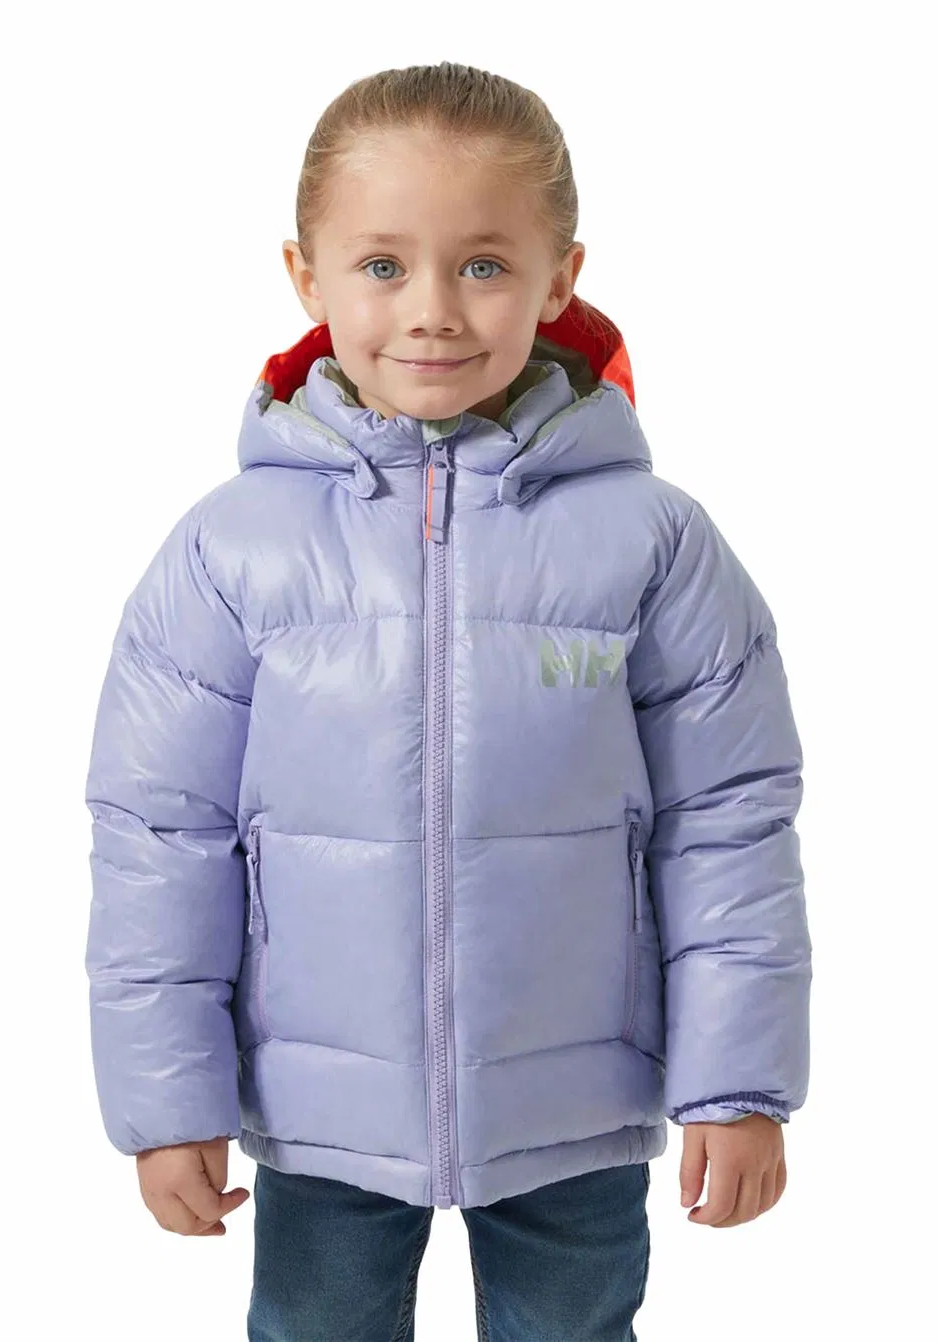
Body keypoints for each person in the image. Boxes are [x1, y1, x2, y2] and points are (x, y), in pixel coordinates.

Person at [83, 60, 812, 1342]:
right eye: (381, 265)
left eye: (482, 264)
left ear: (559, 278)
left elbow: (729, 822)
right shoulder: (230, 551)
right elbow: (160, 837)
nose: (430, 310)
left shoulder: (651, 543)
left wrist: (737, 1084)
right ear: (305, 277)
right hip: (317, 1112)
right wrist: (168, 1100)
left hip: (575, 1103)